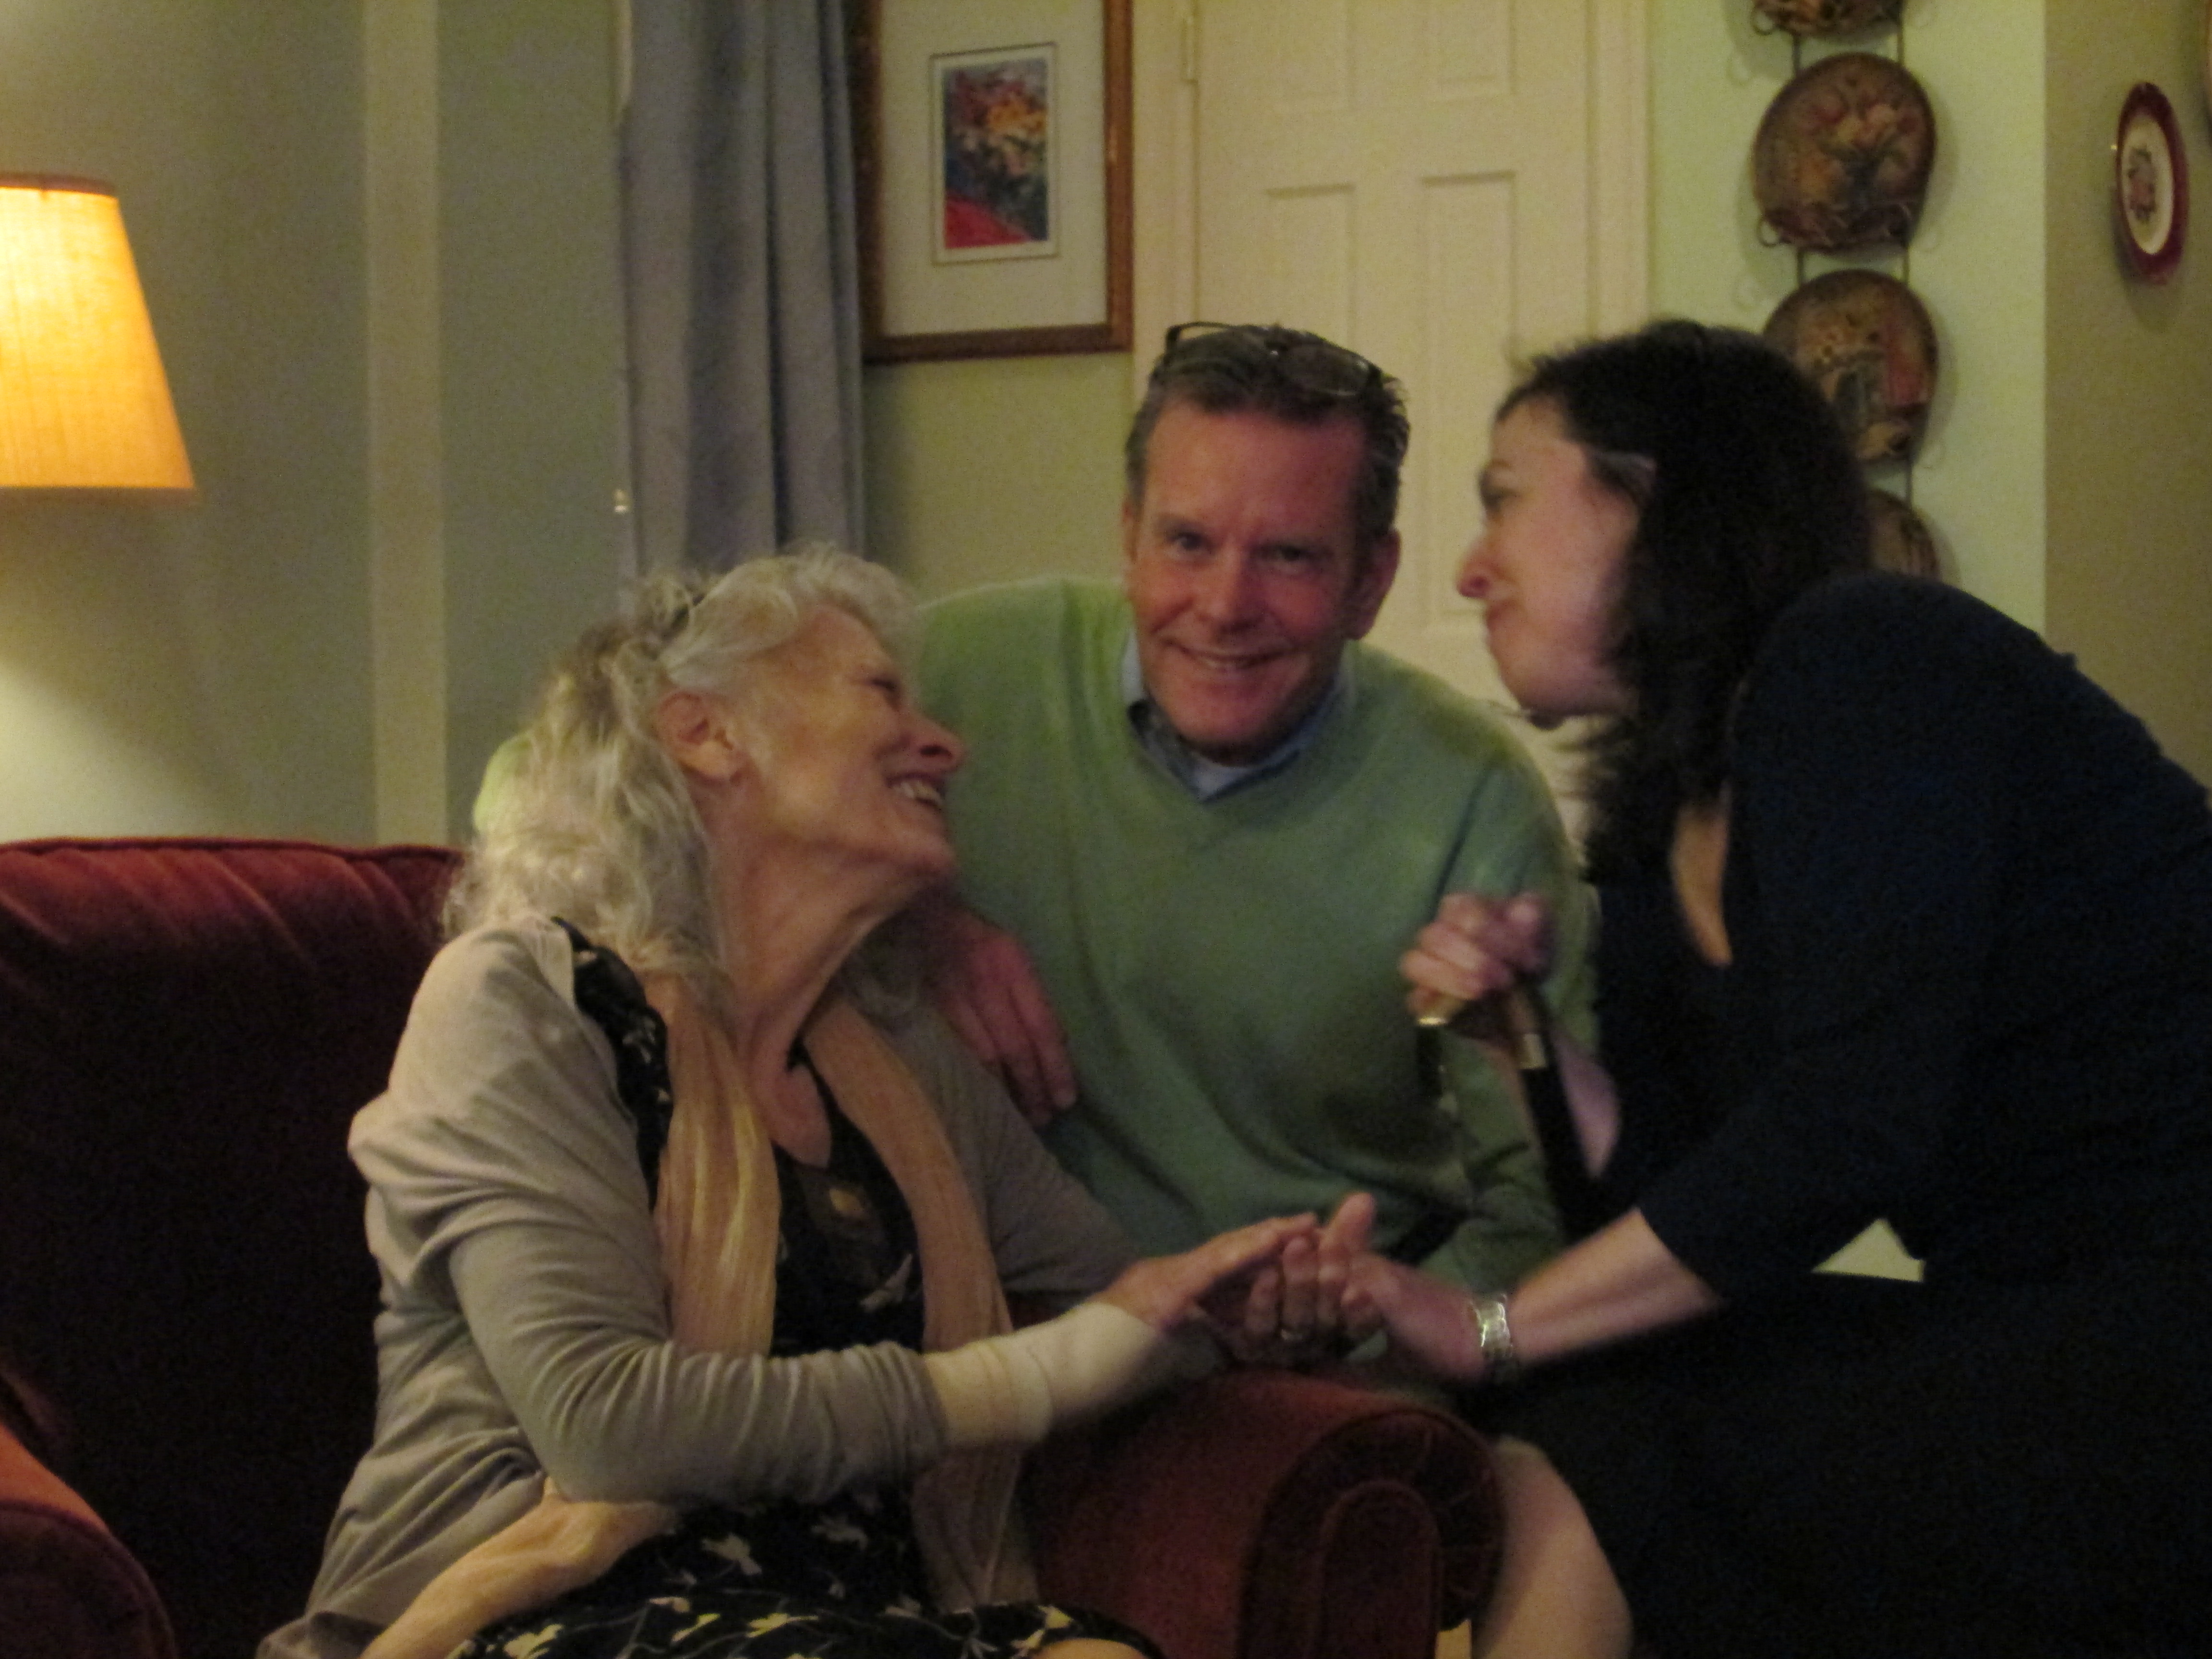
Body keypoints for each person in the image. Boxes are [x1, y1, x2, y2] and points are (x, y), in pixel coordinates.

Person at [260, 548, 1332, 1659]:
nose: (943, 744)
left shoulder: (907, 1064)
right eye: (880, 692)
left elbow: (1121, 1310)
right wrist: (1025, 1378)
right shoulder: (524, 1004)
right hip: (529, 1609)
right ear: (705, 734)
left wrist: (1243, 1313)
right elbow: (603, 1427)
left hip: (861, 1621)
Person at [1345, 319, 2212, 1658]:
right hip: (2039, 1308)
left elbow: (1849, 1131)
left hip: (2165, 1303)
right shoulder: (1660, 826)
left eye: (1506, 500)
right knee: (1606, 1394)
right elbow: (1670, 1212)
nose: (1471, 570)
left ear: (1653, 499)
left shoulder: (1866, 661)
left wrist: (1486, 1328)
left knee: (1609, 1432)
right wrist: (1530, 1046)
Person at [914, 322, 1593, 1300]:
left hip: (1317, 1368)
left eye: (1287, 557)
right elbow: (683, 807)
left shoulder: (1471, 797)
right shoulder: (952, 672)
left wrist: (1372, 1341)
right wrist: (915, 920)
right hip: (993, 1344)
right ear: (1127, 537)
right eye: (1186, 542)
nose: (1225, 605)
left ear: (1371, 581)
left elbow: (1538, 1204)